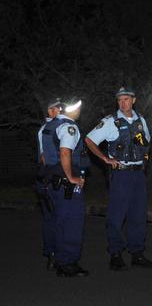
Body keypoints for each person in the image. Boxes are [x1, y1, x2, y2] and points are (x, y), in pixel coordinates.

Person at [85, 87, 152, 271]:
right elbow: (89, 140)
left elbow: (147, 143)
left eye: (126, 99)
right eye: (120, 100)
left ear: (134, 100)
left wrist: (145, 160)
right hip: (121, 174)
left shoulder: (141, 120)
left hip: (138, 174)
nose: (123, 102)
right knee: (116, 215)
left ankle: (137, 253)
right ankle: (116, 254)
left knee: (138, 214)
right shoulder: (111, 122)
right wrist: (105, 159)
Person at [40, 97, 90, 277]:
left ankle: (54, 256)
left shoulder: (46, 127)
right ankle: (67, 263)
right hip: (66, 184)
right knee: (71, 222)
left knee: (55, 221)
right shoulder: (69, 127)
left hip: (50, 182)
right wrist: (71, 177)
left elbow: (44, 157)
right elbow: (65, 151)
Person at [36, 98, 63, 270]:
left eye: (59, 108)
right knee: (53, 217)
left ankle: (56, 252)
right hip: (49, 178)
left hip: (51, 177)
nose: (58, 111)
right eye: (54, 108)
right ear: (50, 111)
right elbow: (44, 157)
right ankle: (53, 253)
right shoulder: (46, 130)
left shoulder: (58, 127)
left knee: (55, 217)